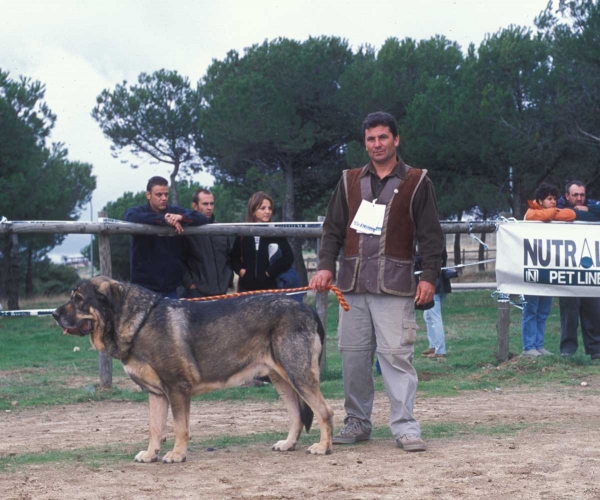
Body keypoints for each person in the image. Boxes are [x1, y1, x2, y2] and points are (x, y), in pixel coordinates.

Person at [310, 111, 444, 453]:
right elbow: (332, 231)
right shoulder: (349, 180)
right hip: (352, 286)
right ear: (365, 143)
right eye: (371, 139)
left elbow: (431, 236)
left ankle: (405, 427)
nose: (377, 144)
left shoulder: (417, 181)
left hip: (396, 286)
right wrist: (325, 266)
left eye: (383, 137)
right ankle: (356, 421)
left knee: (396, 356)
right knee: (353, 356)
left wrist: (429, 276)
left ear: (396, 140)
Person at [124, 176, 208, 298]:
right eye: (159, 195)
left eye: (166, 194)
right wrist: (163, 219)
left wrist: (181, 218)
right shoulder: (138, 211)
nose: (164, 198)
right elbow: (129, 216)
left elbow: (202, 218)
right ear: (148, 195)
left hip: (171, 287)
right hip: (144, 286)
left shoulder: (174, 210)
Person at [519, 182, 569, 357]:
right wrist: (554, 214)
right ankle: (528, 346)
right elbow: (539, 216)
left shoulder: (548, 214)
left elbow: (570, 214)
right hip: (532, 267)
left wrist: (553, 214)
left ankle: (539, 345)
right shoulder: (531, 212)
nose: (554, 202)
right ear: (540, 200)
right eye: (549, 199)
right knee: (531, 309)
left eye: (555, 198)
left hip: (548, 269)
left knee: (543, 310)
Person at [555, 181, 600, 360]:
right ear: (567, 196)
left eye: (582, 194)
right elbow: (558, 216)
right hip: (567, 266)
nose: (579, 198)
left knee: (594, 309)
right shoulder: (558, 207)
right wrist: (578, 213)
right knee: (569, 311)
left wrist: (585, 212)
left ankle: (596, 349)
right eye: (575, 195)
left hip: (590, 267)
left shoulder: (591, 205)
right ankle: (568, 350)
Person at [230, 191, 295, 293]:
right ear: (253, 211)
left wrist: (269, 273)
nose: (268, 211)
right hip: (246, 290)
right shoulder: (243, 233)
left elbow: (288, 257)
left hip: (271, 289)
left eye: (269, 208)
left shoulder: (276, 232)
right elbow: (234, 258)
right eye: (263, 208)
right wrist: (243, 273)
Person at [182, 188, 233, 298]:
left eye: (211, 204)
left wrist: (227, 280)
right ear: (194, 206)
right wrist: (190, 284)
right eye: (205, 204)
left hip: (222, 293)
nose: (209, 207)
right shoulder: (186, 231)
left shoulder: (220, 229)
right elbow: (179, 261)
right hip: (196, 294)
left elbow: (228, 258)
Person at [421, 248, 452, 360]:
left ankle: (440, 351)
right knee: (428, 316)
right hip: (441, 284)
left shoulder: (428, 248)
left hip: (434, 285)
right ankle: (433, 346)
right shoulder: (439, 245)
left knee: (434, 318)